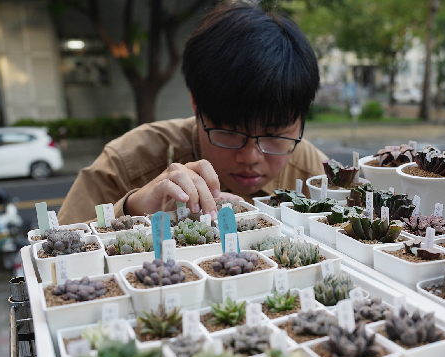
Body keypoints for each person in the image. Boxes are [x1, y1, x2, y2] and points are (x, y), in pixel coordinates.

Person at [57, 1, 327, 225]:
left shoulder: (314, 174)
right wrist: (131, 211)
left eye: (273, 135)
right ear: (196, 105)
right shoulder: (128, 164)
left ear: (301, 120)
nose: (250, 157)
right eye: (230, 133)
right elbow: (51, 258)